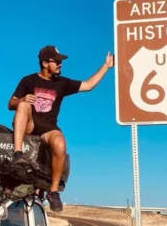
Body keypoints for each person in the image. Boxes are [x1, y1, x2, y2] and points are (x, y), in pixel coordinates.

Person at [8, 45, 114, 212]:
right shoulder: (28, 80)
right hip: (29, 124)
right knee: (22, 106)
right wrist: (22, 99)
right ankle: (17, 154)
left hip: (48, 126)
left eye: (60, 61)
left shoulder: (62, 83)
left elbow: (88, 85)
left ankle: (53, 191)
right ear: (44, 63)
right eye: (56, 61)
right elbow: (10, 104)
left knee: (60, 144)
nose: (60, 64)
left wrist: (106, 66)